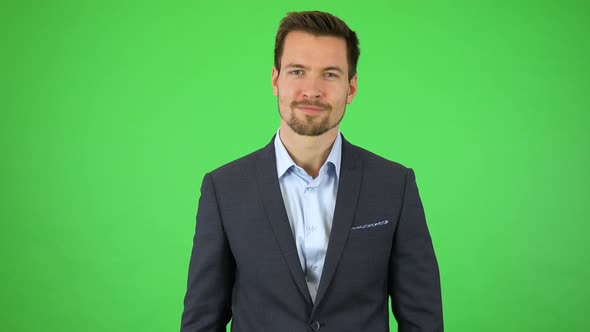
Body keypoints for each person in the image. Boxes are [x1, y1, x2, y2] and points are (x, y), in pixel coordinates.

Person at [181, 10, 443, 332]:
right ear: (275, 80)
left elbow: (423, 319)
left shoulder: (395, 186)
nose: (312, 90)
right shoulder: (223, 190)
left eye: (330, 74)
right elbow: (202, 321)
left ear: (351, 87)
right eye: (297, 72)